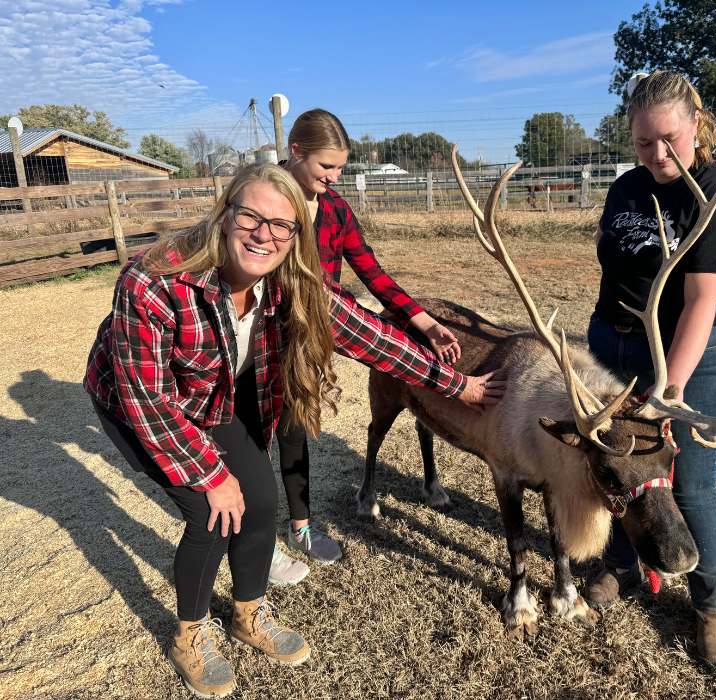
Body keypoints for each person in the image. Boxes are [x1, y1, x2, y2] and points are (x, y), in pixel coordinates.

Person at [85, 164, 498, 697]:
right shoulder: (154, 279)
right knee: (211, 512)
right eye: (252, 216)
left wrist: (452, 384)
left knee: (258, 499)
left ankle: (247, 614)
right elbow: (148, 398)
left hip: (213, 392)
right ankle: (189, 635)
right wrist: (209, 474)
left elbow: (367, 335)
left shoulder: (290, 277)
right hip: (134, 401)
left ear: (295, 236)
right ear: (224, 213)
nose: (265, 234)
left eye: (283, 226)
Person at [584, 71, 716, 669]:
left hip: (694, 349)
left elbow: (703, 301)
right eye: (643, 143)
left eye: (669, 140)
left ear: (698, 126)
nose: (656, 155)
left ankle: (711, 605)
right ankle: (623, 565)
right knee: (615, 467)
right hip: (615, 343)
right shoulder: (628, 186)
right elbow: (612, 246)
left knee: (688, 481)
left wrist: (667, 393)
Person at [269, 108, 465, 576]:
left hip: (310, 337)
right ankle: (258, 540)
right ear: (296, 151)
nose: (334, 177)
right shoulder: (267, 196)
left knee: (296, 428)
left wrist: (423, 322)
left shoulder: (334, 208)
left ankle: (301, 524)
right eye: (326, 167)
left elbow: (370, 270)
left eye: (339, 168)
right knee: (253, 438)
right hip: (259, 337)